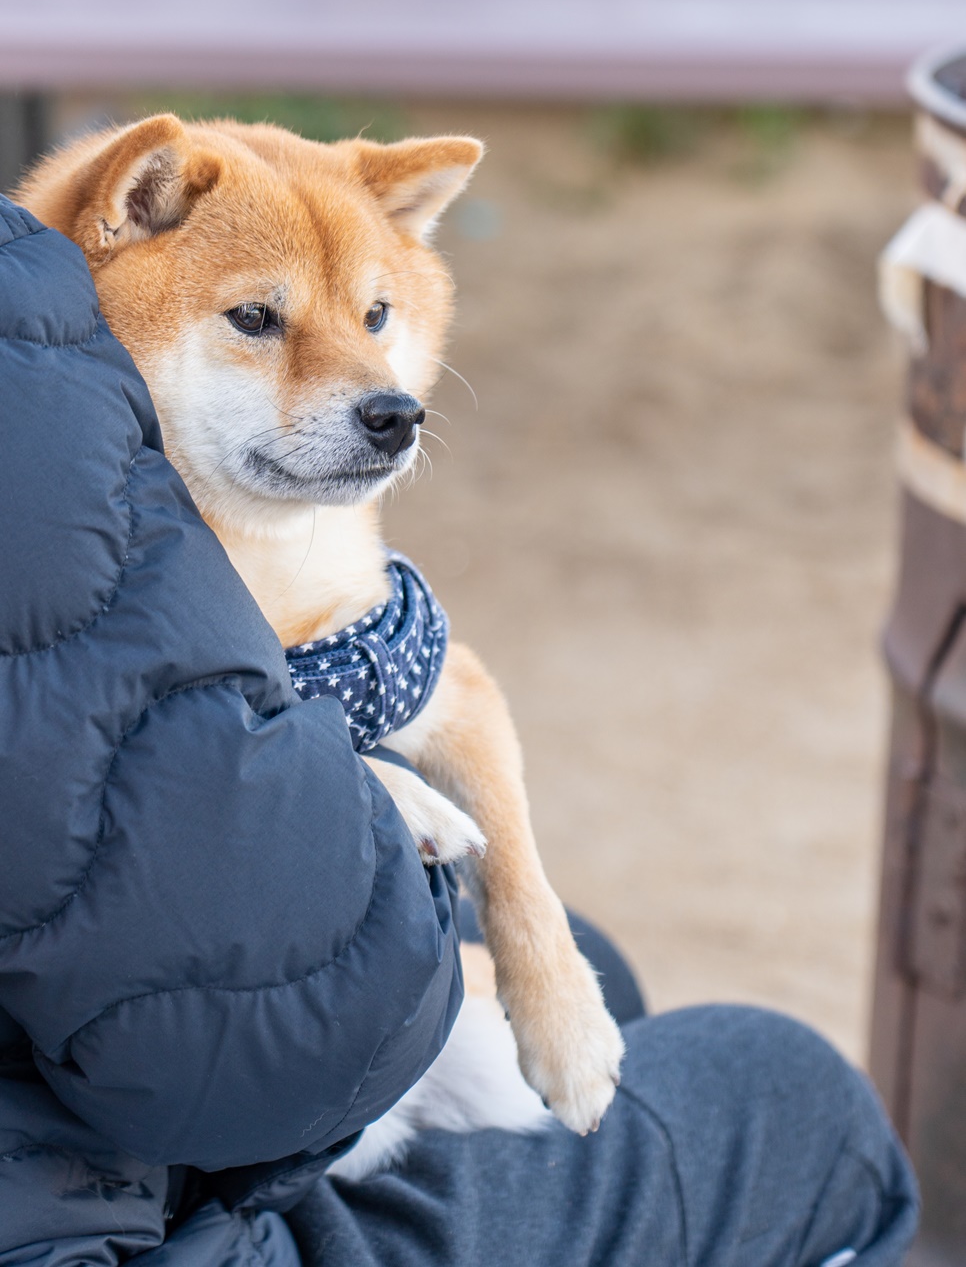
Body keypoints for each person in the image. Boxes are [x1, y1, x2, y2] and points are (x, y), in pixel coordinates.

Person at [0, 194, 919, 1265]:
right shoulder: (37, 386)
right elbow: (252, 1046)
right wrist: (368, 815)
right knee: (798, 1101)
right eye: (259, 321)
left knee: (589, 966)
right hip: (130, 1225)